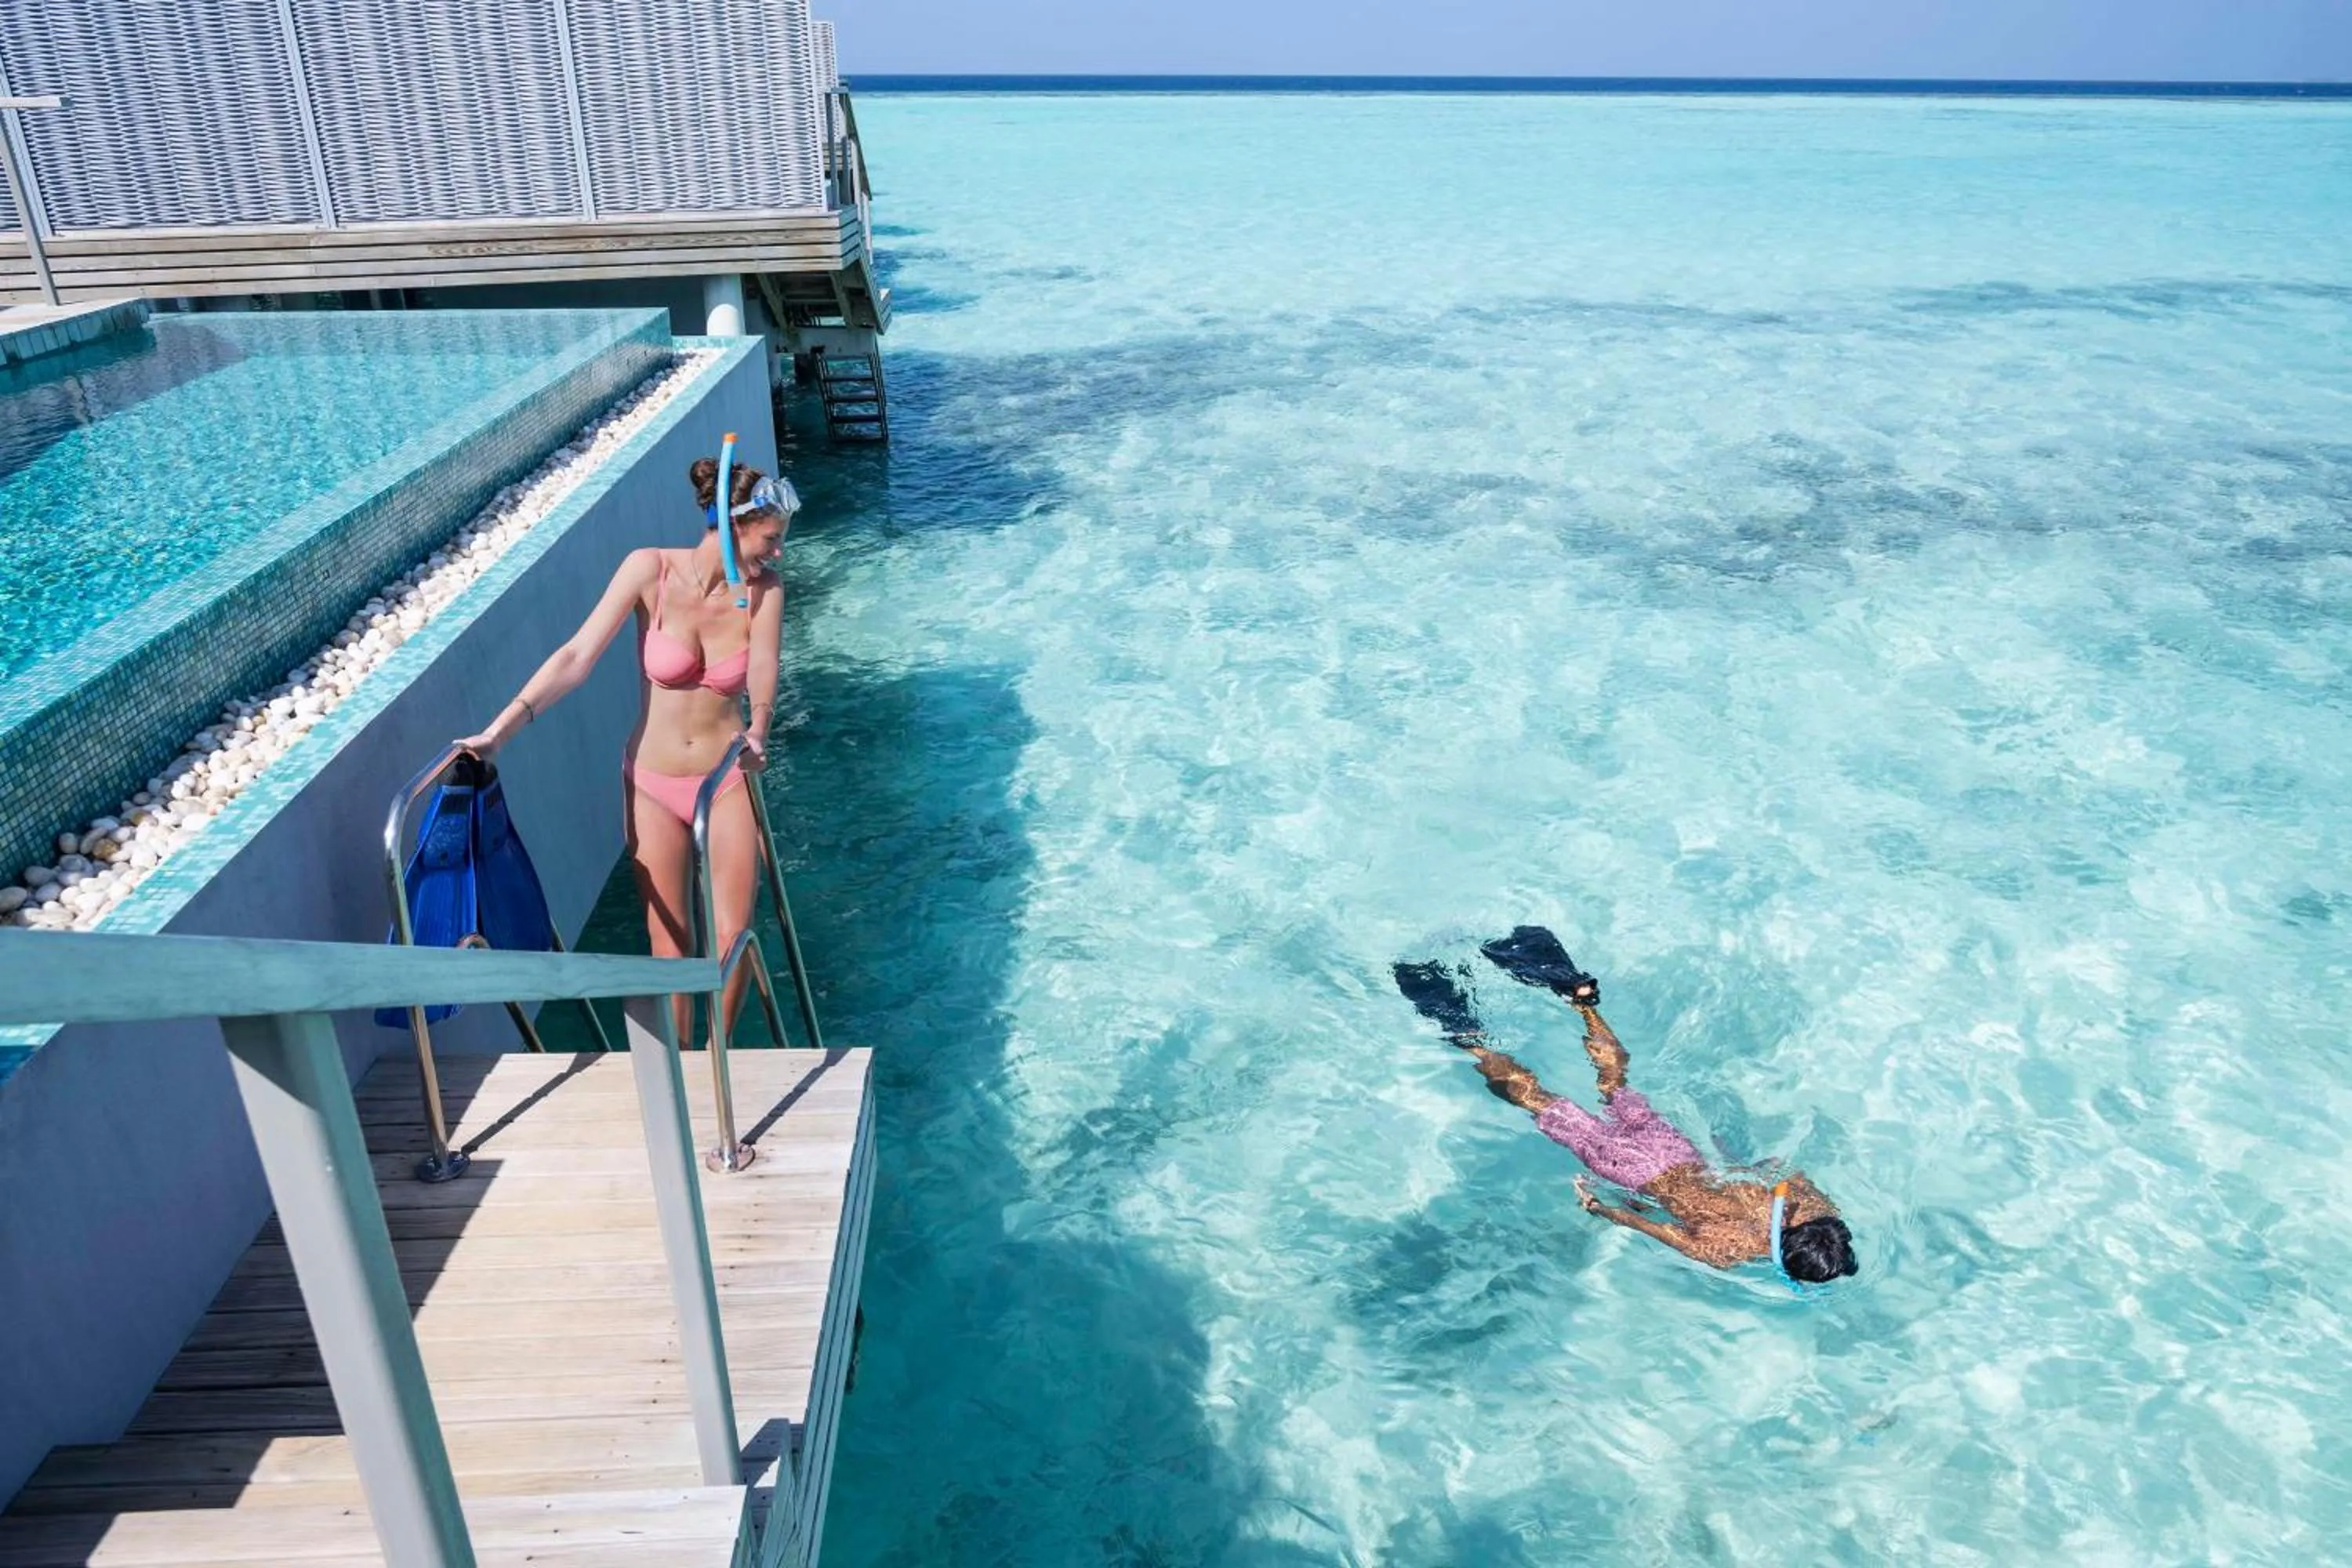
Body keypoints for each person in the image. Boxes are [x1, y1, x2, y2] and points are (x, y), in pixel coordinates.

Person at [458, 450, 796, 1045]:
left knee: (734, 934)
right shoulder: (650, 571)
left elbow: (764, 663)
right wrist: (500, 732)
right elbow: (575, 656)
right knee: (669, 943)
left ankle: (719, 1064)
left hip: (725, 777)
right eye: (770, 539)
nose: (777, 552)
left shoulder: (764, 592)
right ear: (731, 523)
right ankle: (683, 1071)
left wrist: (761, 727)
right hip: (653, 780)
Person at [1394, 927, 1858, 1284]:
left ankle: (1582, 1000)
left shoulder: (1810, 1203)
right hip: (1630, 1170)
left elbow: (1772, 1165)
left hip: (1675, 1150)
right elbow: (1644, 1224)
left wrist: (1729, 1171)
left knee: (1615, 1082)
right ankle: (1466, 1034)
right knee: (1540, 1102)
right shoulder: (1725, 1251)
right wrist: (1597, 1207)